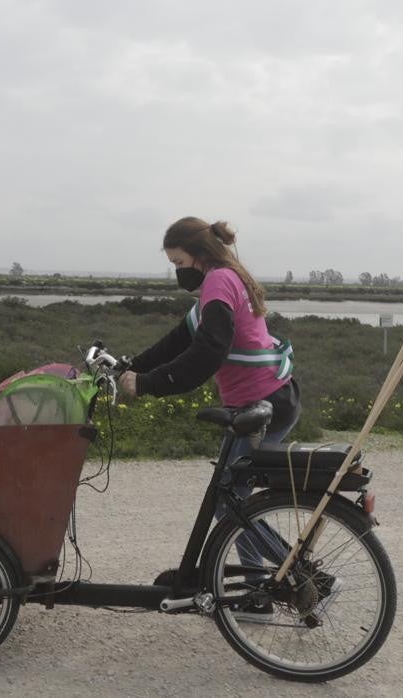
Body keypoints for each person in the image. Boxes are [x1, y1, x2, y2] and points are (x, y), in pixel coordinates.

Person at [120, 217, 301, 616]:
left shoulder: (219, 281)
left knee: (230, 503)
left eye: (178, 261)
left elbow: (206, 354)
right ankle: (255, 592)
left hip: (263, 404)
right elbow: (178, 341)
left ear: (199, 256)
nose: (177, 271)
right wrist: (130, 367)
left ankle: (291, 573)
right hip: (268, 399)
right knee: (232, 496)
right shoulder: (224, 279)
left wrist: (148, 384)